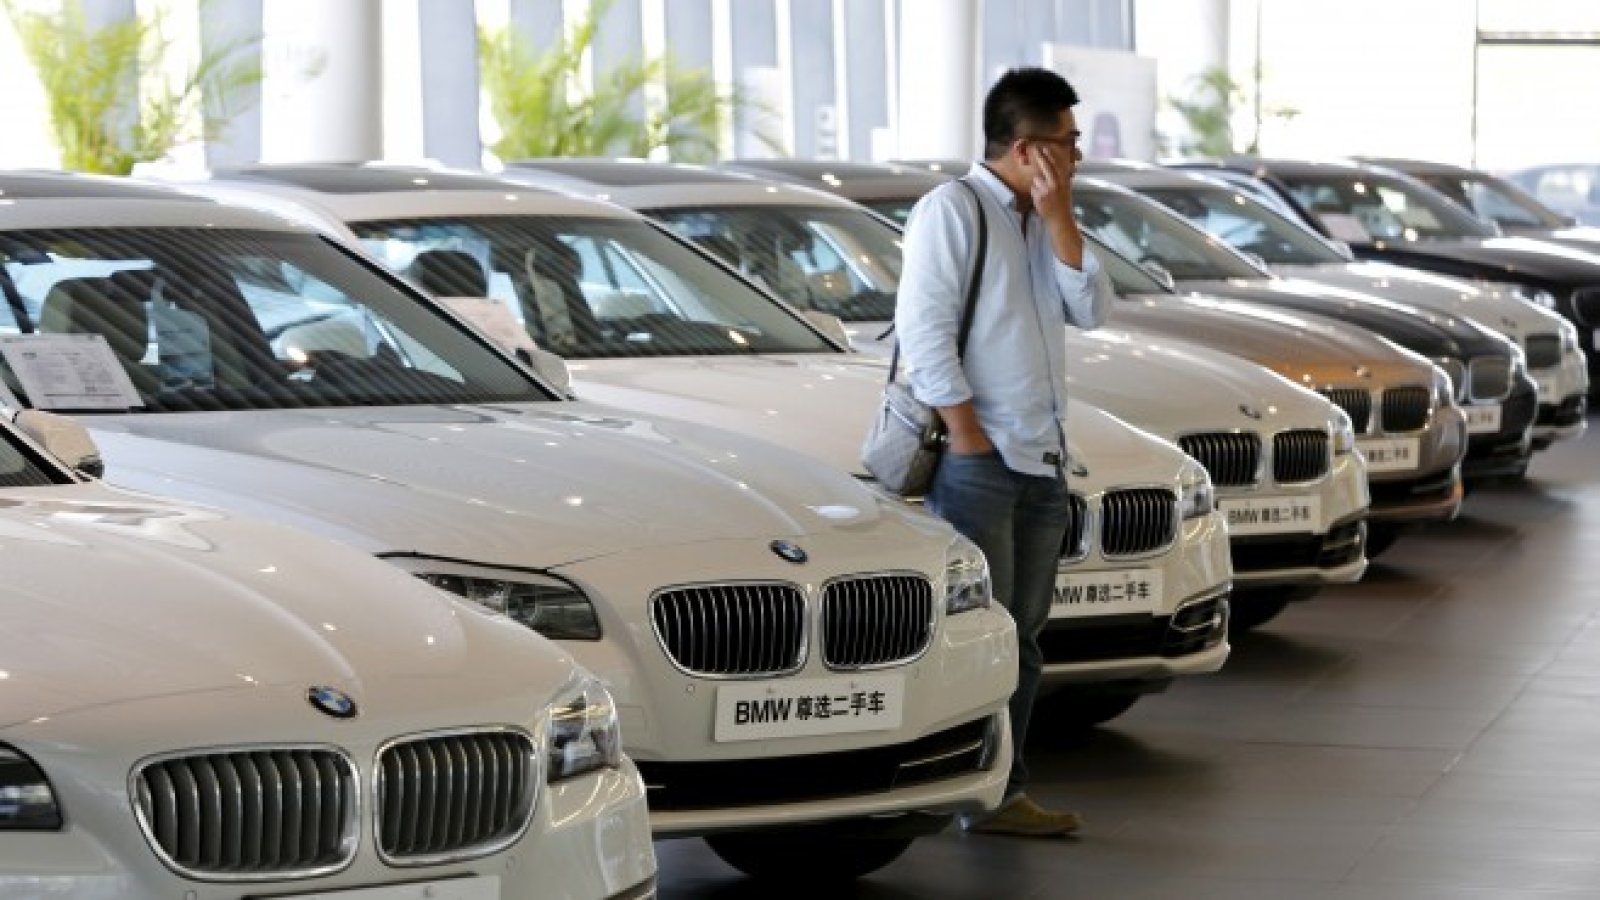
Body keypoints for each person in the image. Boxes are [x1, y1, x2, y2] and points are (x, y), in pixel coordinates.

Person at [895, 67, 1113, 837]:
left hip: (1042, 457)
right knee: (977, 637)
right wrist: (966, 435)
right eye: (1067, 142)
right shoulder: (952, 210)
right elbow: (923, 332)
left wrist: (1061, 217)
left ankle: (1000, 795)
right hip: (980, 462)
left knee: (1021, 638)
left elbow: (1093, 308)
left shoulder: (1040, 218)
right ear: (1027, 148)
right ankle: (952, 789)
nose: (1077, 155)